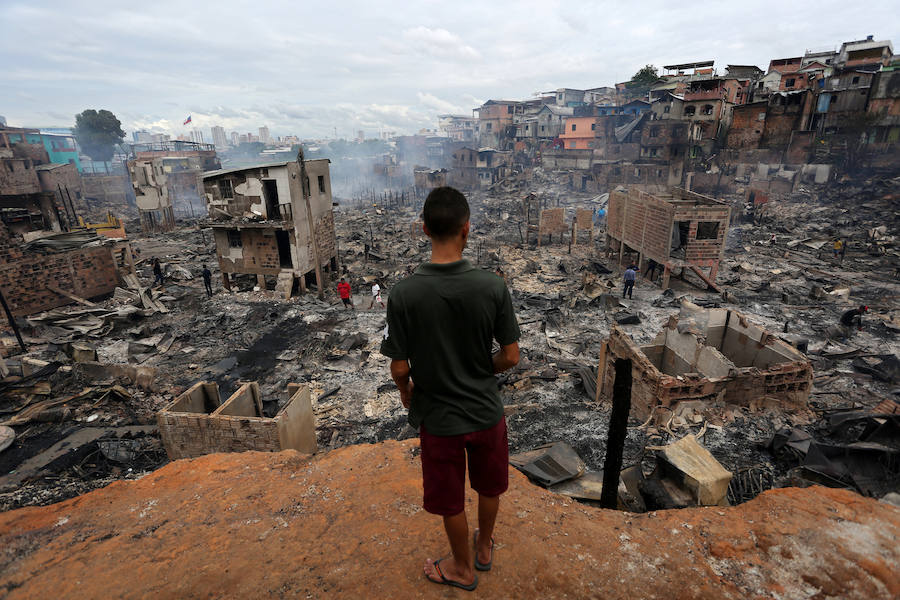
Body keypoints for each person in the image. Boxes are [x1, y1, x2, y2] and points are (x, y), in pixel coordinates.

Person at [381, 186, 520, 592]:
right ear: (467, 230)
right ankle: (483, 548)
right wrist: (481, 368)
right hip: (485, 412)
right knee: (490, 485)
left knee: (451, 499)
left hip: (439, 420)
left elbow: (400, 366)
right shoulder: (492, 287)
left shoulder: (403, 294)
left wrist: (407, 391)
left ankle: (461, 568)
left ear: (423, 229)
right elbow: (511, 356)